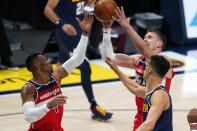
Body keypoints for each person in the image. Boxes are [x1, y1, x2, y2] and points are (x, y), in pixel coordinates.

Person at [101, 6, 174, 130]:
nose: (145, 39)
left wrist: (127, 27)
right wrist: (106, 30)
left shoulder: (164, 60)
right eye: (144, 37)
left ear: (159, 44)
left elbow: (145, 51)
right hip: (142, 112)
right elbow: (108, 57)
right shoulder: (137, 59)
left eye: (149, 37)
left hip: (158, 110)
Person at [20, 12, 93, 131]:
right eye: (45, 60)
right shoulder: (29, 88)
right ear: (36, 66)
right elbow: (29, 116)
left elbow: (77, 59)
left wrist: (85, 34)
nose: (50, 62)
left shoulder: (56, 75)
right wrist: (48, 105)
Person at [44, 0, 112, 120]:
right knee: (85, 67)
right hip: (67, 32)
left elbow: (81, 6)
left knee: (58, 71)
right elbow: (47, 10)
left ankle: (45, 101)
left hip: (79, 31)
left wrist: (92, 4)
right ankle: (94, 107)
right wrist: (61, 24)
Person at [106, 55, 173, 131]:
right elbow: (134, 88)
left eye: (146, 66)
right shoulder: (151, 91)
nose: (144, 69)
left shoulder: (160, 95)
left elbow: (149, 124)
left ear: (149, 70)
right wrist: (115, 68)